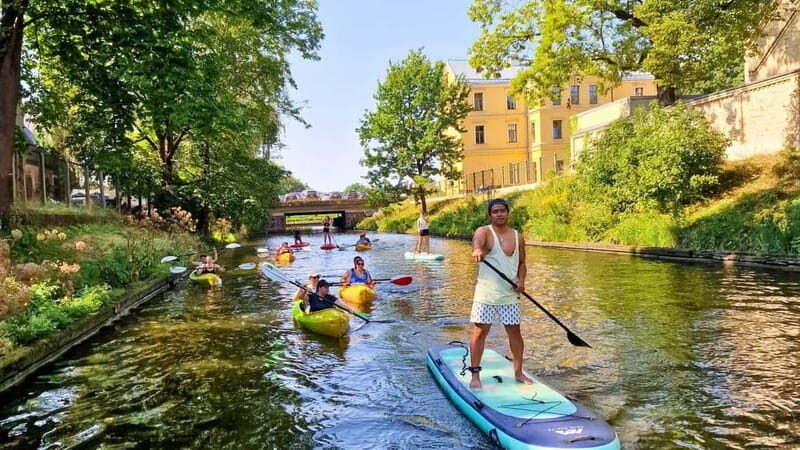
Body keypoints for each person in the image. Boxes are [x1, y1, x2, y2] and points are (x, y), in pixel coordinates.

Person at [468, 198, 531, 390]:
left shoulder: (517, 236)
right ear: (490, 215)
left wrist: (521, 281)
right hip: (486, 294)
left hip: (509, 295)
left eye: (502, 211)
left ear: (508, 213)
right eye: (495, 211)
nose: (499, 214)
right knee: (480, 332)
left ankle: (518, 373)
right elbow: (477, 241)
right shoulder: (485, 231)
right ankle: (475, 375)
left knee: (515, 333)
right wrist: (477, 249)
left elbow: (521, 264)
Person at [296, 279, 360, 315]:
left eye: (328, 287)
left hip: (329, 317)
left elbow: (341, 304)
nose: (328, 289)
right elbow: (300, 297)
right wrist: (303, 290)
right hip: (317, 317)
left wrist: (350, 310)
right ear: (319, 288)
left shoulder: (330, 298)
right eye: (325, 287)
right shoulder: (312, 296)